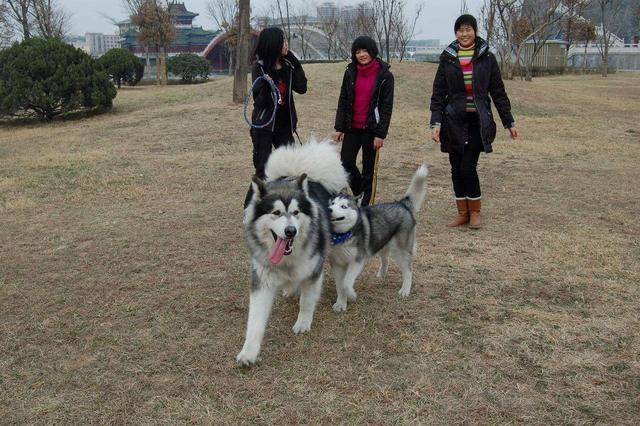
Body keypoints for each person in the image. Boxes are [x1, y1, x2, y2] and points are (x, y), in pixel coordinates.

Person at [430, 14, 518, 229]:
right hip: (453, 121)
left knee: (468, 167)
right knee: (455, 168)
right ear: (456, 33)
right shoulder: (448, 57)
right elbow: (438, 93)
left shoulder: (486, 57)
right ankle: (462, 212)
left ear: (475, 31)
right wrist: (435, 123)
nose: (464, 33)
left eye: (468, 29)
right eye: (460, 30)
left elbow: (498, 92)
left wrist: (509, 122)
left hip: (477, 121)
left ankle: (475, 212)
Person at [245, 27, 307, 206]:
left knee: (290, 167)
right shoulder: (260, 67)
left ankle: (288, 204)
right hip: (264, 126)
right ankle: (250, 208)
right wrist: (267, 85)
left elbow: (302, 88)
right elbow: (260, 101)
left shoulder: (288, 65)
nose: (286, 44)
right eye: (283, 41)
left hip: (284, 126)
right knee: (263, 169)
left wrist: (293, 59)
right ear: (273, 44)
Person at [334, 36, 394, 206]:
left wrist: (380, 134)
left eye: (365, 51)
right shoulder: (350, 72)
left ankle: (367, 207)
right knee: (345, 164)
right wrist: (340, 127)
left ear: (372, 51)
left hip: (372, 130)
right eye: (358, 52)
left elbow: (386, 107)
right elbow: (343, 99)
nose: (361, 55)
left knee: (369, 170)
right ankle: (362, 196)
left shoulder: (385, 76)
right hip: (352, 127)